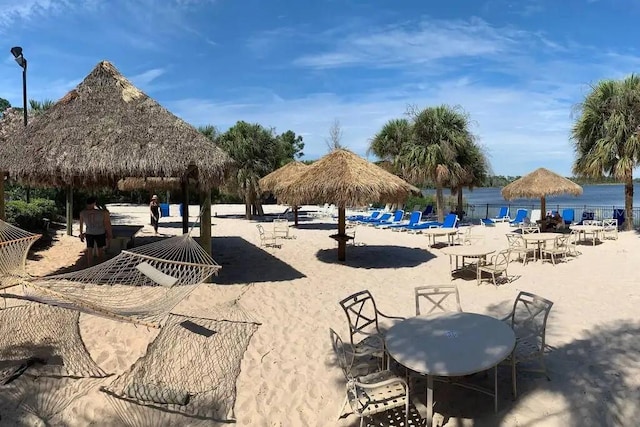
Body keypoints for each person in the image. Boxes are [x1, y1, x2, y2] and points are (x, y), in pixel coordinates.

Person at [79, 197, 112, 266]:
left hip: (89, 232)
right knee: (100, 250)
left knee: (89, 250)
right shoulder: (101, 212)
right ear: (94, 203)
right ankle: (101, 265)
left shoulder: (82, 213)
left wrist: (81, 234)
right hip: (100, 232)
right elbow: (107, 224)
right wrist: (109, 234)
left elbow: (81, 225)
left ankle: (89, 266)